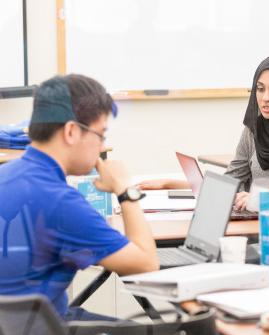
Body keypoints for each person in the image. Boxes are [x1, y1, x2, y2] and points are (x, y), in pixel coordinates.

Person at [0, 74, 159, 321]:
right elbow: (146, 264)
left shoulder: (6, 175)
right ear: (72, 131)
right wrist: (126, 191)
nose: (102, 147)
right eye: (100, 135)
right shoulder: (60, 203)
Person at [137, 54, 269, 207]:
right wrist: (171, 184)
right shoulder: (254, 129)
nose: (265, 98)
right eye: (260, 89)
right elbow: (231, 181)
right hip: (255, 222)